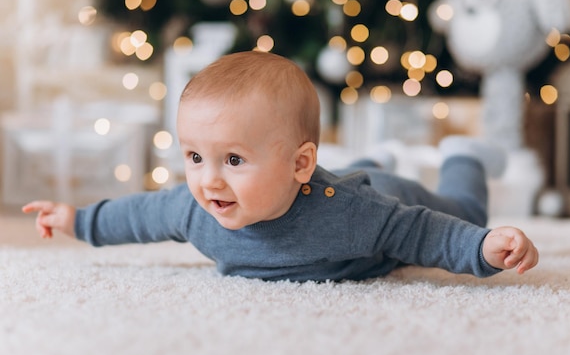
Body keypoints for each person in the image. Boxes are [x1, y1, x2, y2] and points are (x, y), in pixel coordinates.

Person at [22, 51, 538, 282]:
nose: (209, 179)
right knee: (355, 173)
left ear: (300, 164)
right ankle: (367, 158)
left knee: (464, 207)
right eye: (195, 157)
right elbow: (138, 216)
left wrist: (483, 247)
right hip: (338, 179)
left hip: (383, 190)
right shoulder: (196, 208)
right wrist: (76, 219)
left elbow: (425, 234)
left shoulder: (354, 214)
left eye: (234, 159)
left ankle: (462, 156)